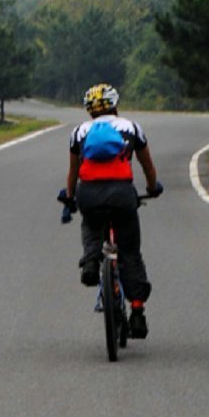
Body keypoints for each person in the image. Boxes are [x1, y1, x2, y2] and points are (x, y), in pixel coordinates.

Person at [61, 83, 162, 339]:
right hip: (122, 194)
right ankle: (137, 312)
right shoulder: (131, 127)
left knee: (91, 224)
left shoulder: (79, 132)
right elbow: (147, 165)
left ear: (89, 110)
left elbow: (73, 172)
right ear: (115, 104)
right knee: (130, 251)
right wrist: (152, 187)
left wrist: (70, 197)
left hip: (89, 193)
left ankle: (91, 262)